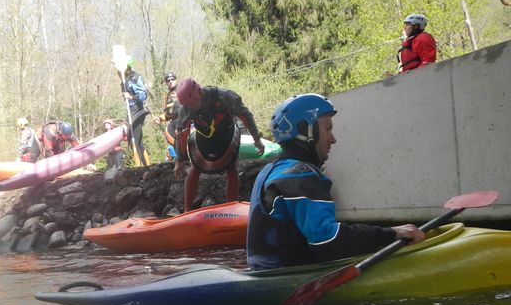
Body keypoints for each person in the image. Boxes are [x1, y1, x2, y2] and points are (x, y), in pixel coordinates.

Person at [246, 93, 425, 270]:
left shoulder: (270, 170)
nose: (333, 139)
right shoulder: (298, 175)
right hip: (288, 277)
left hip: (265, 270)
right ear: (307, 131)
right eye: (328, 129)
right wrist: (391, 234)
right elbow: (328, 242)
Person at [173, 78, 265, 211]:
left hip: (227, 134)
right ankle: (187, 210)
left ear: (199, 92)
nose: (191, 106)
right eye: (188, 104)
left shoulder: (224, 96)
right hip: (203, 137)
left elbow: (245, 115)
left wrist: (256, 139)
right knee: (195, 168)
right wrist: (179, 160)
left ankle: (232, 208)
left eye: (192, 102)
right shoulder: (185, 109)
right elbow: (181, 134)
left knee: (231, 168)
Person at [120, 56, 150, 166]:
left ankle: (141, 168)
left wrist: (131, 96)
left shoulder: (135, 77)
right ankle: (146, 167)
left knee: (135, 141)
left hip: (137, 112)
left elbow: (143, 95)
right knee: (137, 142)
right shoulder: (125, 78)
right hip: (131, 112)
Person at [154, 71, 180, 150]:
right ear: (166, 83)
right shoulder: (167, 96)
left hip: (184, 120)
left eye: (172, 79)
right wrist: (160, 118)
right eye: (168, 80)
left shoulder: (182, 90)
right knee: (168, 131)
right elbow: (167, 114)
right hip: (174, 123)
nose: (170, 81)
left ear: (175, 80)